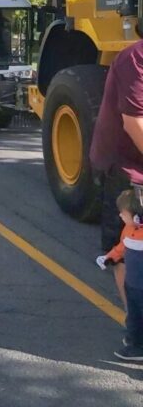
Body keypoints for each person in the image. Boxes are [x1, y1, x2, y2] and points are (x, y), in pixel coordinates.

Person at [90, 37, 143, 306]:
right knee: (128, 250)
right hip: (129, 169)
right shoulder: (135, 59)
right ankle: (136, 322)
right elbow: (135, 122)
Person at [96, 189, 143, 361]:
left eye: (124, 214)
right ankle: (135, 344)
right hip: (132, 286)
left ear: (137, 217)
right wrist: (109, 257)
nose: (120, 216)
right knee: (134, 317)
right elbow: (122, 247)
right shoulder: (128, 230)